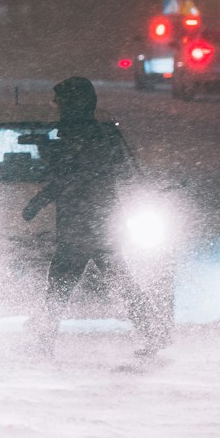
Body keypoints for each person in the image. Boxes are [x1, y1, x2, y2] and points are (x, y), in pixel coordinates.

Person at [20, 76, 145, 356]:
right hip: (95, 222)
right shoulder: (84, 133)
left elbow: (71, 178)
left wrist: (38, 202)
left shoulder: (83, 135)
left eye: (62, 102)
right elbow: (72, 175)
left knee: (61, 283)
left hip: (86, 223)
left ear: (76, 103)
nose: (58, 107)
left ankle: (43, 339)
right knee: (114, 281)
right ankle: (154, 333)